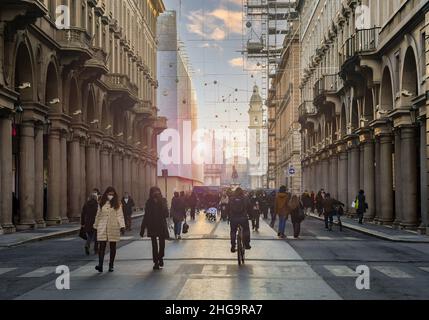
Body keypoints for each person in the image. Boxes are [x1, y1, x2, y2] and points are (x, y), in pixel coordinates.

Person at [93, 187, 125, 273]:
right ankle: (100, 265)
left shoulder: (117, 203)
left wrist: (122, 226)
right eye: (109, 194)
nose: (110, 196)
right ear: (106, 194)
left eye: (112, 194)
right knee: (102, 247)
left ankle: (111, 265)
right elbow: (98, 215)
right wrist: (95, 226)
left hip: (113, 226)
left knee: (112, 247)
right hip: (102, 226)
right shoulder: (101, 203)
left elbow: (120, 215)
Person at [140, 187, 169, 270]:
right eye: (154, 192)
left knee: (162, 244)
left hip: (161, 225)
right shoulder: (149, 202)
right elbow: (146, 216)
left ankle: (161, 257)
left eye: (157, 192)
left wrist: (161, 202)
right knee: (154, 245)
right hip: (152, 226)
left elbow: (166, 214)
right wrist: (142, 228)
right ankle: (156, 262)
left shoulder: (163, 201)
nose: (156, 193)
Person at [228, 188, 251, 253]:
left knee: (233, 231)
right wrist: (251, 216)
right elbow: (249, 207)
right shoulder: (245, 198)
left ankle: (233, 245)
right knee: (246, 230)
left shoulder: (231, 198)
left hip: (233, 218)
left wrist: (228, 217)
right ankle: (247, 244)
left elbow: (228, 208)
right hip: (243, 218)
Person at [81, 189, 100, 255]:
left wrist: (82, 223)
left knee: (90, 236)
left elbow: (83, 214)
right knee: (96, 237)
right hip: (96, 222)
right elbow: (100, 214)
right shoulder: (97, 205)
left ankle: (87, 245)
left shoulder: (86, 204)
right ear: (95, 198)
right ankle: (96, 250)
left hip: (88, 222)